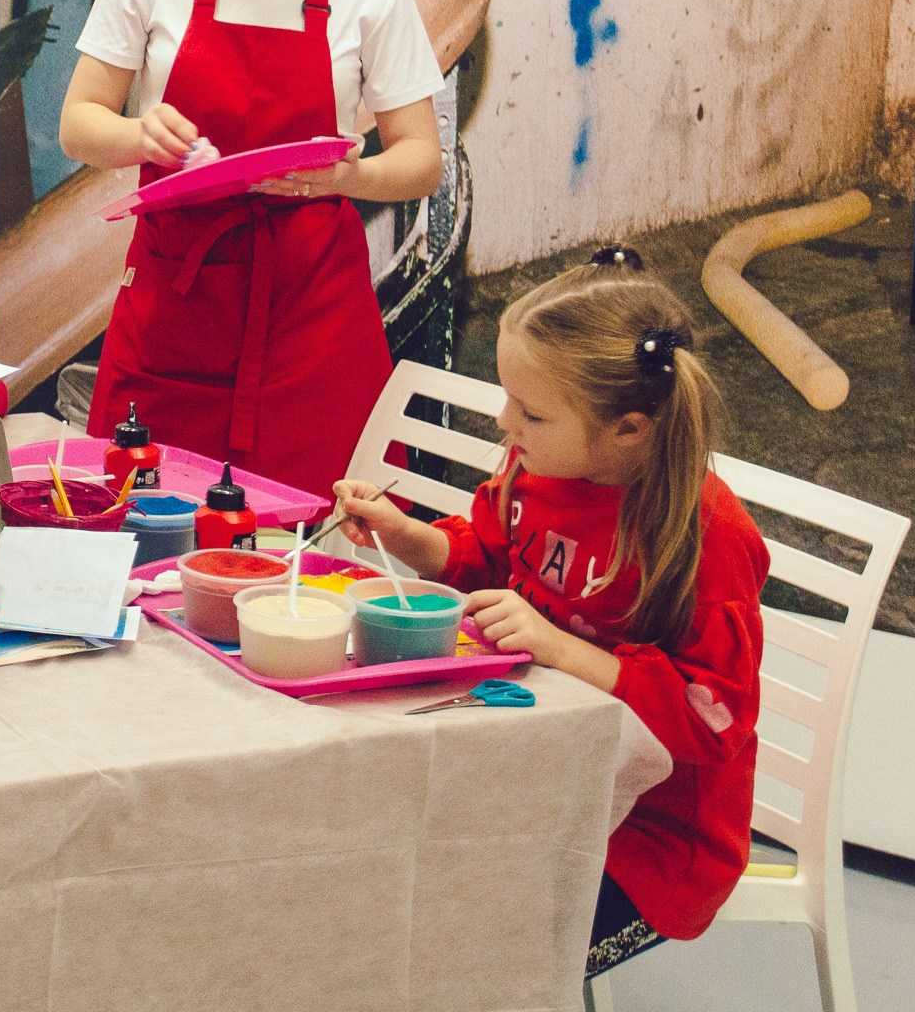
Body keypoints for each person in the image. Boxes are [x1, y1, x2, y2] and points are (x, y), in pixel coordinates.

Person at [329, 252, 768, 982]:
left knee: (467, 965)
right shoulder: (540, 471)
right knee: (369, 894)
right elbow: (485, 558)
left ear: (629, 429)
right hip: (530, 785)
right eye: (507, 400)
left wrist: (560, 648)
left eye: (530, 412)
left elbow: (711, 718)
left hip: (649, 844)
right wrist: (405, 535)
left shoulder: (706, 539)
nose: (505, 425)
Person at [60, 0, 443, 497]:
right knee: (141, 518)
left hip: (312, 312)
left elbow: (419, 159)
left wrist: (348, 176)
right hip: (177, 305)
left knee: (319, 550)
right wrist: (142, 136)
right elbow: (80, 126)